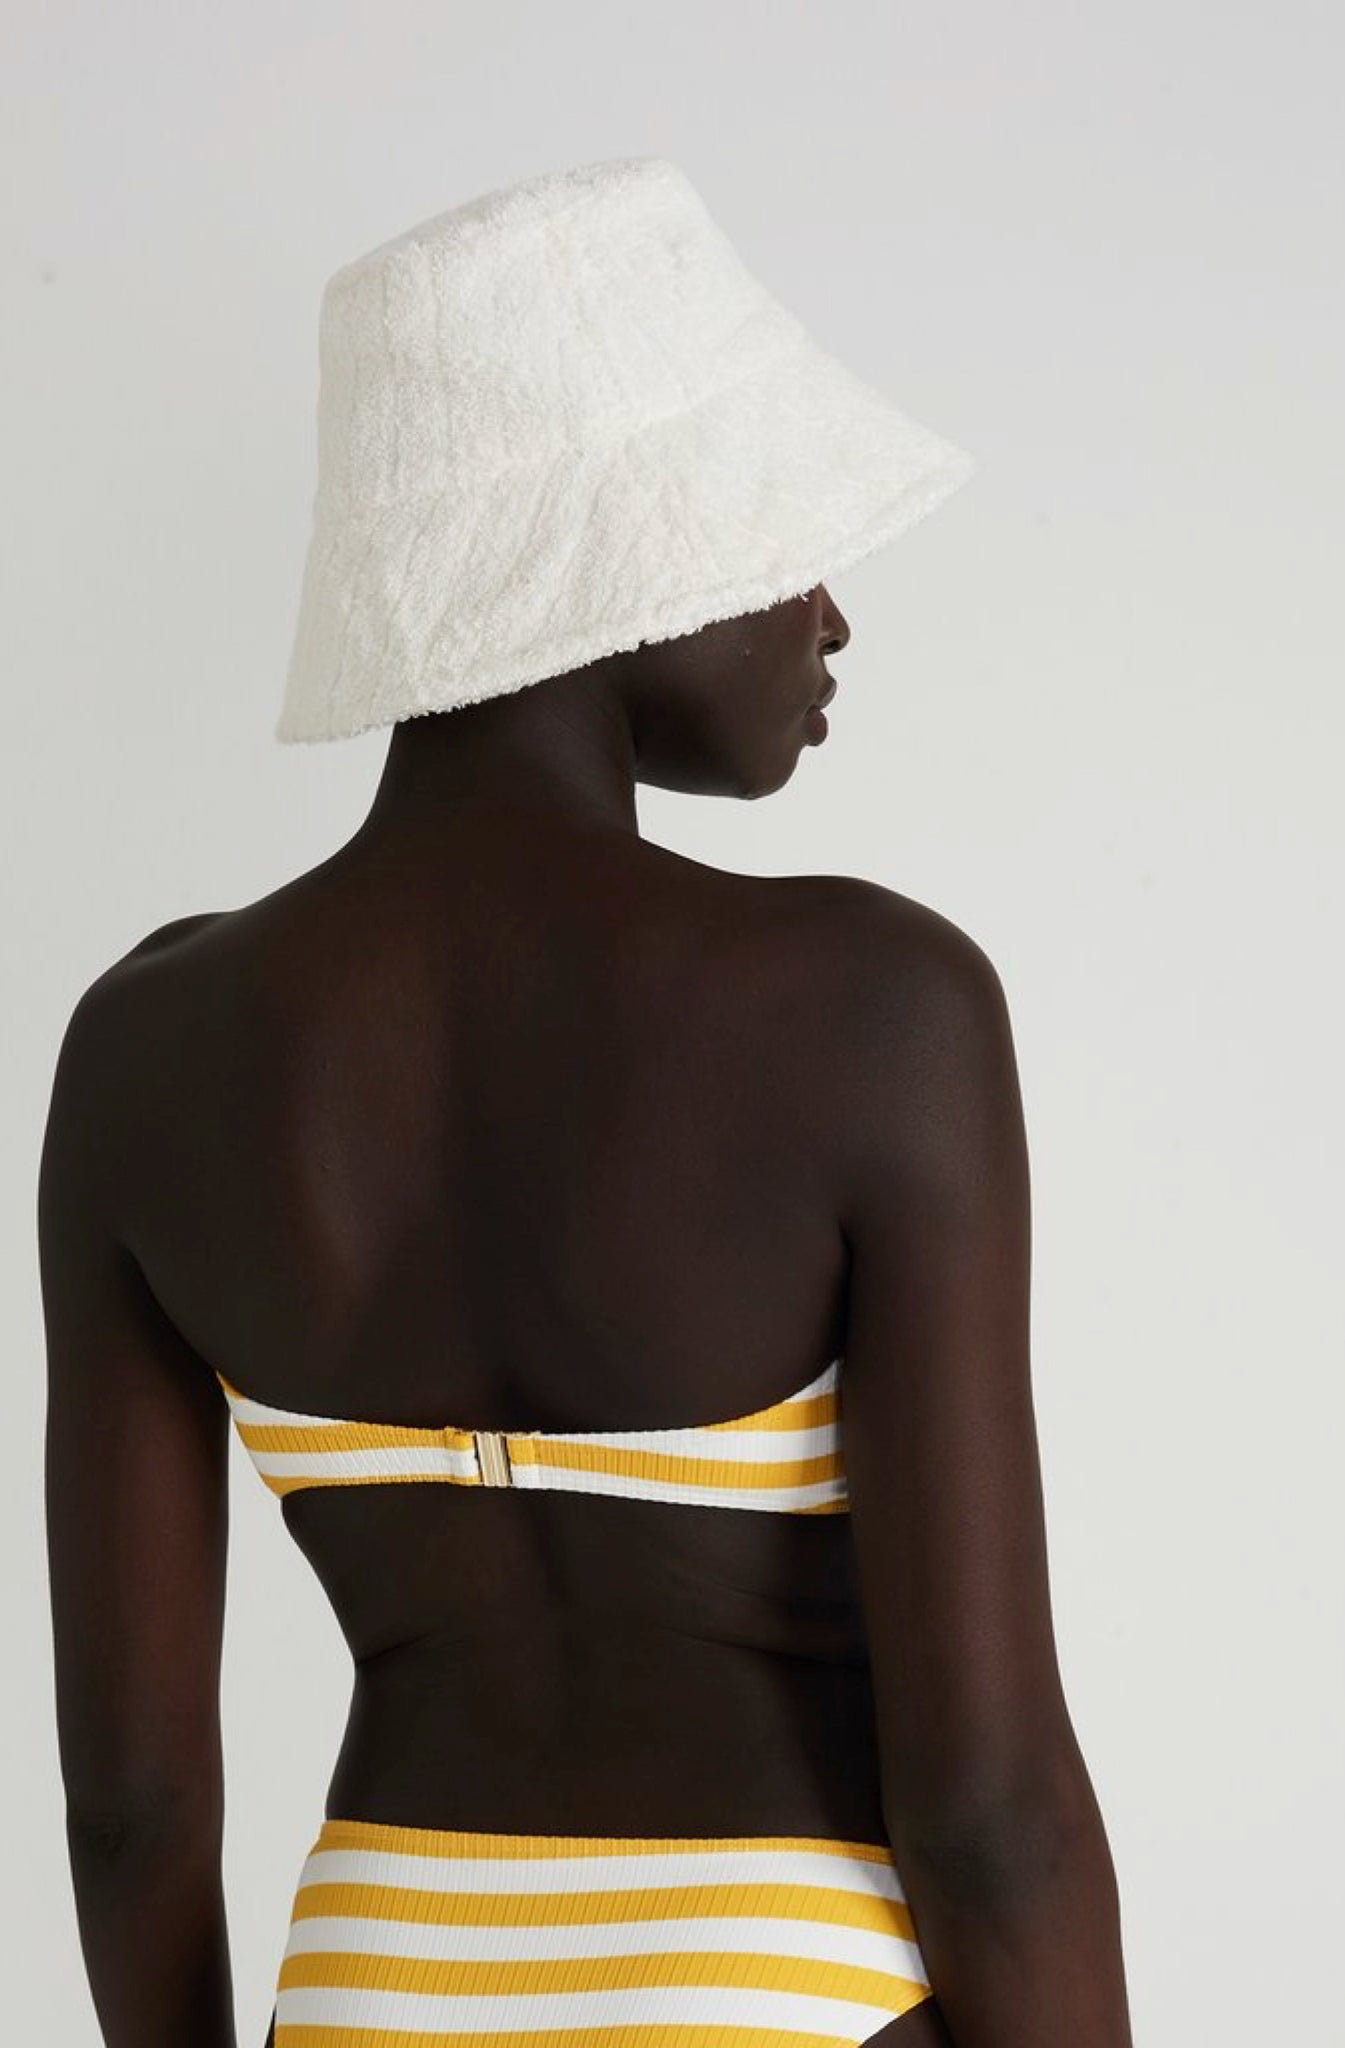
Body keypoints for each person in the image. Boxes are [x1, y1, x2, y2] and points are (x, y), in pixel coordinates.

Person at [40, 158, 1133, 2047]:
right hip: (784, 1991)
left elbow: (133, 1809)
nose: (832, 619)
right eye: (779, 542)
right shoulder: (872, 1006)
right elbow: (990, 1812)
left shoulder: (144, 1047)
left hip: (370, 1985)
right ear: (615, 576)